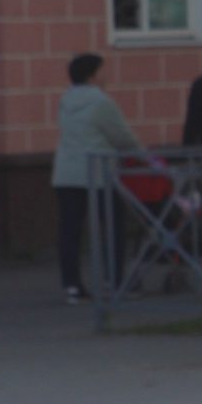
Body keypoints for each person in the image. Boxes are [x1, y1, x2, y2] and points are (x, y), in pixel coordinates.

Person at [51, 53, 142, 304]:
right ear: (92, 76)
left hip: (66, 174)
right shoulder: (102, 102)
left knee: (70, 231)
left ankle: (71, 285)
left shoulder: (65, 100)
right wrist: (146, 156)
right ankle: (113, 280)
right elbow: (122, 137)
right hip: (98, 174)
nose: (107, 76)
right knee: (112, 226)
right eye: (103, 71)